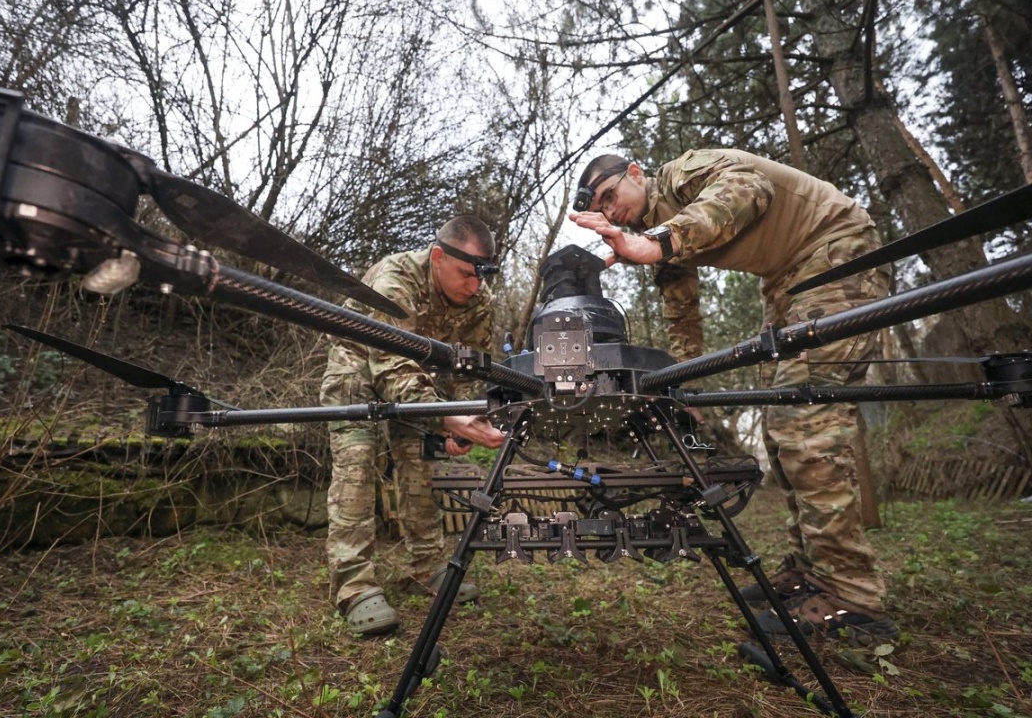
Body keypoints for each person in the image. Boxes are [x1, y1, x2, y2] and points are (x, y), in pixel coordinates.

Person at [569, 149, 898, 642]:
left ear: (637, 172)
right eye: (602, 207)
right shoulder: (661, 231)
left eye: (612, 196)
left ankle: (852, 597)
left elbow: (747, 189)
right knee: (779, 426)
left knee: (806, 428)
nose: (613, 211)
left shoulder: (683, 175)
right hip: (789, 282)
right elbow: (682, 313)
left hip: (835, 253)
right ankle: (813, 571)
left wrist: (660, 241)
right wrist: (679, 384)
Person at [319, 215, 505, 637]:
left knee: (421, 465)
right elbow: (388, 363)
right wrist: (444, 416)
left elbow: (465, 369)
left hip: (420, 383)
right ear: (438, 256)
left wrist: (457, 423)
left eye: (482, 276)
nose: (474, 287)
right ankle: (354, 585)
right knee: (357, 463)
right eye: (465, 275)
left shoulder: (480, 298)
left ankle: (424, 567)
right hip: (358, 368)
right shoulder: (396, 276)